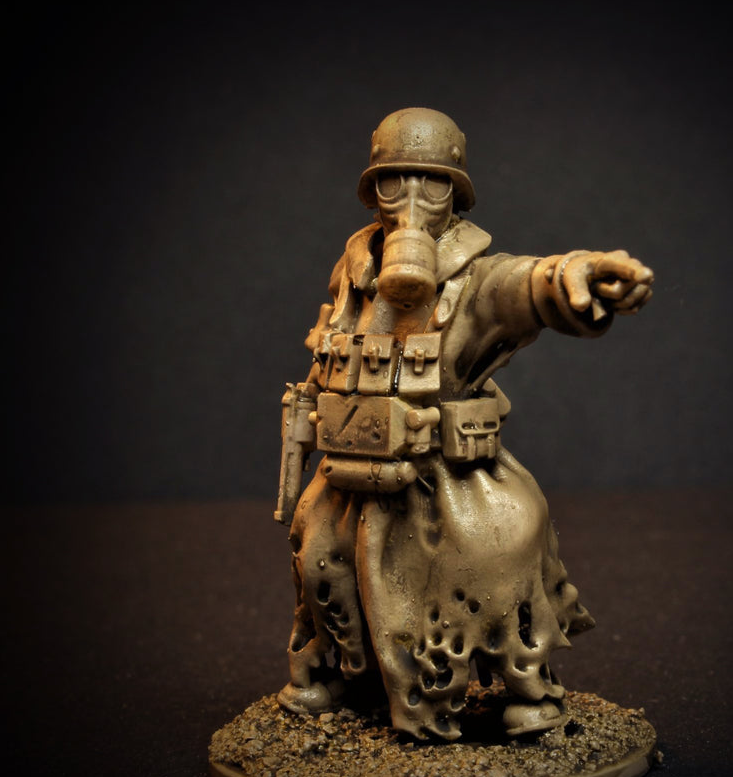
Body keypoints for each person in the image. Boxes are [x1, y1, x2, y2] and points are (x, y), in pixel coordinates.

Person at [274, 108, 653, 740]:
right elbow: (332, 350)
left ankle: (529, 687)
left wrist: (576, 274)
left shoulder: (474, 278)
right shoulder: (353, 272)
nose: (411, 200)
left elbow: (525, 286)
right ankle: (339, 672)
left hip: (447, 480)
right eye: (394, 182)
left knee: (490, 566)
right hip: (352, 473)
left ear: (455, 193)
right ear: (373, 191)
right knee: (318, 554)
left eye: (432, 183)